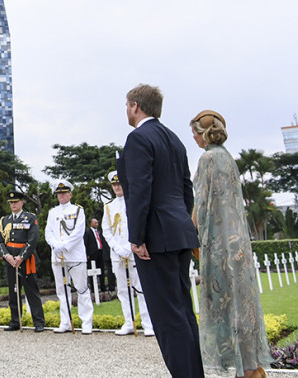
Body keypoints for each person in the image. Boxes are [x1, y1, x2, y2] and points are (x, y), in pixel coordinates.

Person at [118, 84, 202, 378]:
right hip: (178, 232)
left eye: (127, 105)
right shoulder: (175, 139)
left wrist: (137, 237)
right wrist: (182, 222)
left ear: (136, 106)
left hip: (156, 239)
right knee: (183, 312)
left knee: (167, 318)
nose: (126, 110)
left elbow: (139, 190)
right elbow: (185, 189)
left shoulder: (139, 138)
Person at [191, 110, 271, 378]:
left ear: (203, 134)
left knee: (225, 309)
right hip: (238, 246)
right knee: (242, 307)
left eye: (194, 132)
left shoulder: (208, 159)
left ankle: (241, 370)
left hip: (219, 246)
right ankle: (250, 367)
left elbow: (202, 206)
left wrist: (192, 234)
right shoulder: (228, 158)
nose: (193, 137)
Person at [101, 170, 154, 336]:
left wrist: (131, 245)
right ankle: (129, 322)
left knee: (141, 288)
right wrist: (117, 248)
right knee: (123, 290)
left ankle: (147, 323)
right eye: (114, 184)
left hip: (134, 252)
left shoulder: (134, 202)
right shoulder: (109, 207)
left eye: (119, 183)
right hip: (118, 254)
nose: (117, 187)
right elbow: (106, 230)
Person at [45, 181, 94, 333]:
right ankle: (65, 322)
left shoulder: (78, 210)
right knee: (62, 290)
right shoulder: (52, 212)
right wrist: (55, 245)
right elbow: (48, 232)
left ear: (70, 194)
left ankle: (86, 322)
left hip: (75, 255)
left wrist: (65, 245)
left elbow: (79, 232)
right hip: (58, 256)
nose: (61, 196)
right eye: (59, 193)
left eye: (64, 193)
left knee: (82, 289)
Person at [0, 190, 46, 332]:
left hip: (25, 259)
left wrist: (21, 257)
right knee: (13, 291)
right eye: (11, 202)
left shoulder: (30, 218)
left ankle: (38, 322)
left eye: (15, 202)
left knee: (31, 290)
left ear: (21, 203)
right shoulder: (5, 220)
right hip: (10, 260)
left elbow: (33, 239)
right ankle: (15, 321)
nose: (13, 204)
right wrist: (7, 256)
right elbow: (1, 242)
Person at [84, 217, 112, 292]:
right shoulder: (88, 232)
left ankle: (103, 287)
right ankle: (93, 288)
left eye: (97, 222)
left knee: (101, 270)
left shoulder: (99, 232)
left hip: (100, 253)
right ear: (91, 223)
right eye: (95, 222)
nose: (97, 224)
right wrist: (87, 254)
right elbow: (86, 243)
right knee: (93, 270)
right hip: (92, 254)